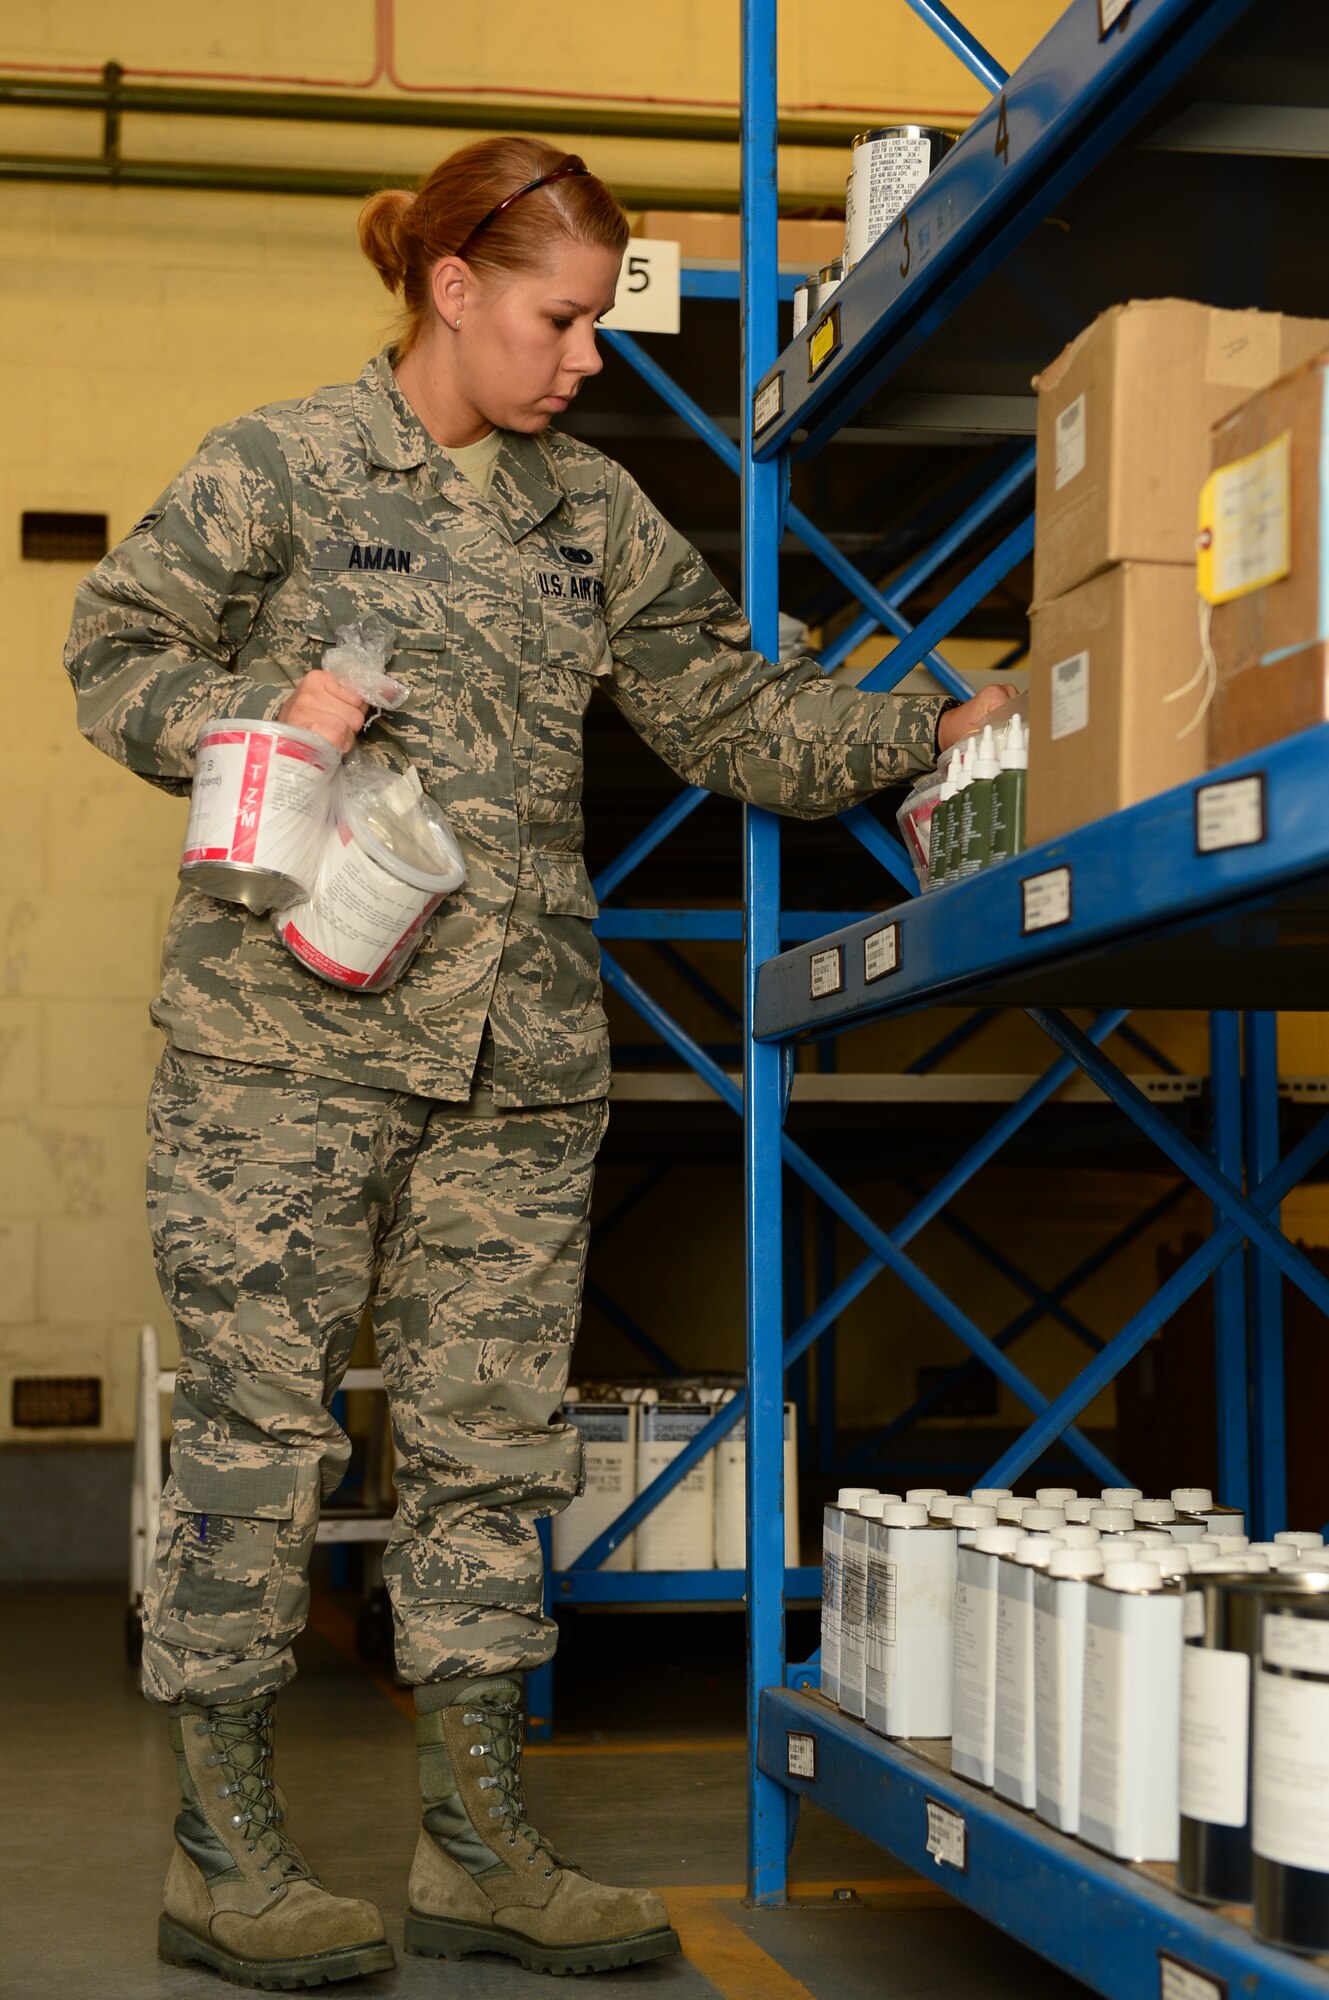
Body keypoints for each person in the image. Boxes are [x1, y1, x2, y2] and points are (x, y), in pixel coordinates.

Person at [65, 134, 1014, 1990]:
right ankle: (221, 1851)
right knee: (263, 1440)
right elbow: (113, 652)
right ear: (453, 288)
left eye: (593, 323)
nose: (588, 358)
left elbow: (728, 711)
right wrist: (256, 719)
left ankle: (475, 1841)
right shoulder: (281, 463)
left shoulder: (589, 516)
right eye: (563, 318)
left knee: (493, 1455)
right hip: (286, 1051)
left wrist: (932, 726)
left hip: (518, 1059)